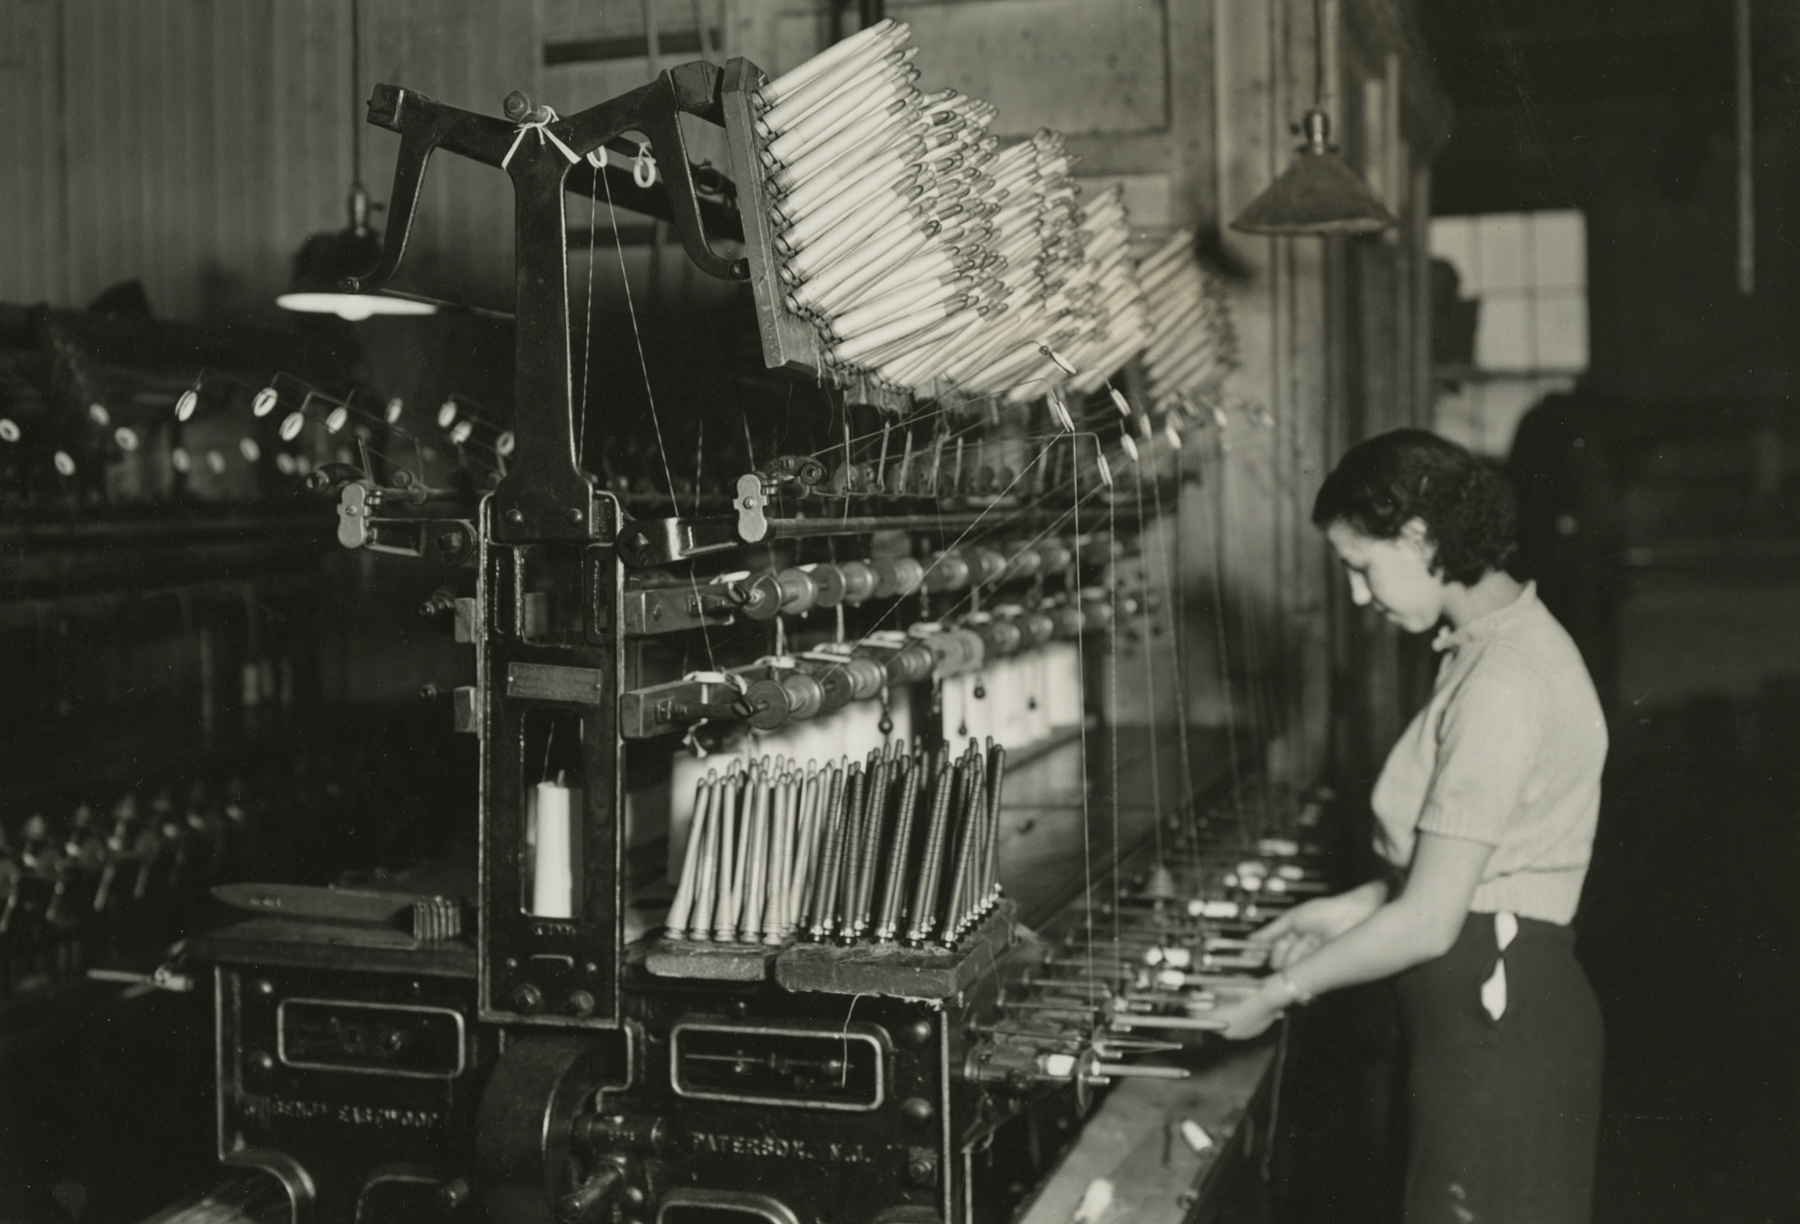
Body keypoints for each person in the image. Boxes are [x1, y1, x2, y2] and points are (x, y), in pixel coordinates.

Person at [1208, 428, 1608, 1224]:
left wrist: (1279, 992)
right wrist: (1351, 909)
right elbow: (1480, 862)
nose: (1360, 595)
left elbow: (1431, 921)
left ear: (1419, 537)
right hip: (1482, 1014)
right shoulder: (1489, 645)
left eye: (1361, 566)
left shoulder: (1503, 681)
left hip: (1497, 1028)